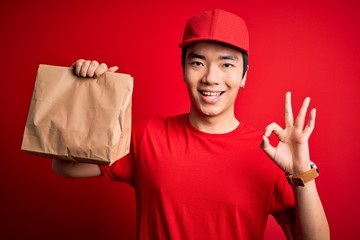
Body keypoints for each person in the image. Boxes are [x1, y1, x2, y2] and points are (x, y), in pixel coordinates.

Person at [52, 9, 329, 239]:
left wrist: (302, 172)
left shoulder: (268, 153)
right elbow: (65, 166)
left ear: (244, 76)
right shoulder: (148, 134)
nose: (211, 77)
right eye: (198, 63)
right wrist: (85, 94)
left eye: (227, 65)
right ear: (184, 69)